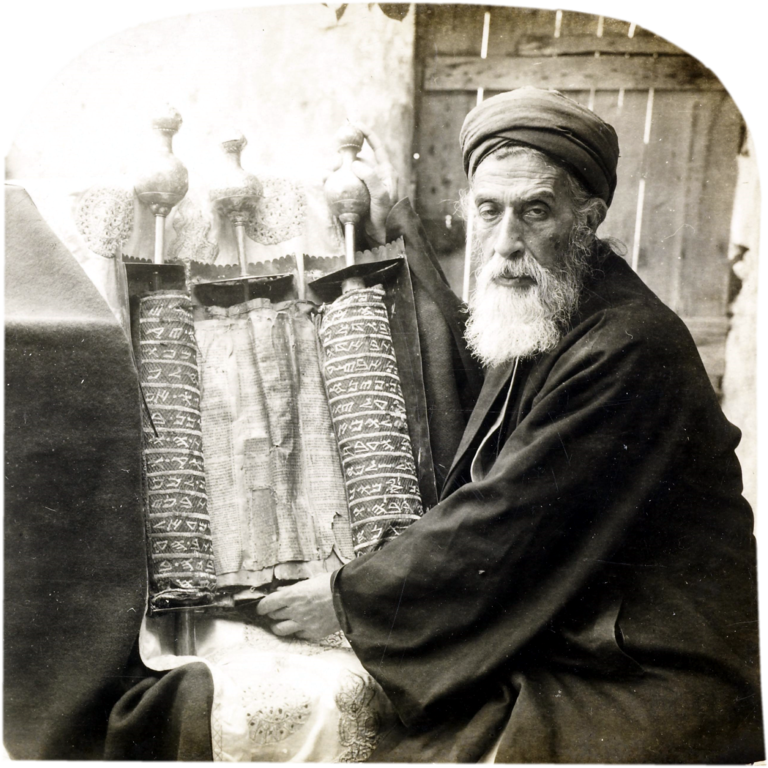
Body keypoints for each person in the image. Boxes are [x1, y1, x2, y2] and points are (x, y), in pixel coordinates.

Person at [258, 87, 766, 764]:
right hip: (572, 633)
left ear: (588, 220)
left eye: (535, 213)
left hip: (649, 668)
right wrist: (396, 226)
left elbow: (513, 512)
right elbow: (475, 406)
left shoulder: (629, 345)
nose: (505, 244)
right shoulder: (544, 307)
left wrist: (348, 601)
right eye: (488, 212)